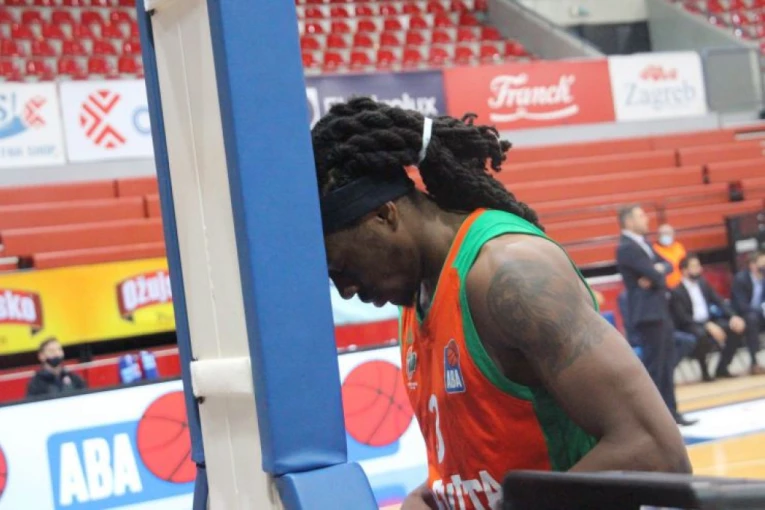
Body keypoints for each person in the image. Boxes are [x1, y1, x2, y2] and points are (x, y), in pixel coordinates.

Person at [311, 98, 691, 510]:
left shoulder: (510, 274)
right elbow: (482, 473)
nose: (345, 290)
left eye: (342, 268)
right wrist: (429, 498)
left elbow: (656, 451)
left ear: (384, 216)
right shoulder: (414, 291)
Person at [615, 205, 695, 426]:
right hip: (648, 314)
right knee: (655, 367)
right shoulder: (626, 247)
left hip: (661, 310)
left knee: (666, 365)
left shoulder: (644, 243)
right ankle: (653, 418)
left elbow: (668, 265)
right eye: (641, 216)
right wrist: (656, 272)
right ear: (628, 221)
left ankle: (671, 413)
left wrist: (656, 272)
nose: (647, 219)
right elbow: (656, 274)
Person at [670, 255, 746, 381]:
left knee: (735, 328)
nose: (698, 269)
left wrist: (733, 316)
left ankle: (722, 368)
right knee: (701, 334)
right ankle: (705, 372)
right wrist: (706, 325)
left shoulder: (703, 284)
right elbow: (682, 317)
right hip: (690, 324)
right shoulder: (677, 291)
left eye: (698, 266)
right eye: (694, 266)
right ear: (684, 270)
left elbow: (719, 301)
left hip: (709, 320)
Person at [731, 250, 765, 375]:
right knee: (752, 319)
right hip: (745, 315)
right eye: (762, 263)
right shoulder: (741, 279)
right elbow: (741, 305)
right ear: (752, 265)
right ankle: (754, 362)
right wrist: (761, 310)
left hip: (761, 314)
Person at [652, 223, 687, 289]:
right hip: (666, 287)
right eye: (663, 233)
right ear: (658, 236)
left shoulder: (679, 247)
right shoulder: (654, 250)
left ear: (673, 234)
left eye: (668, 233)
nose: (665, 235)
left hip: (683, 285)